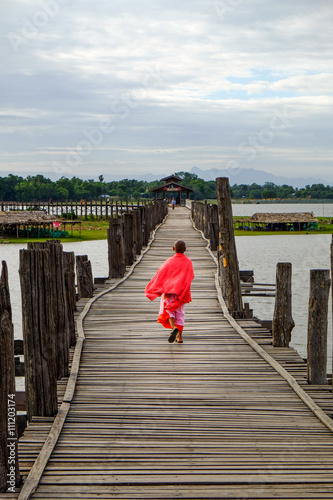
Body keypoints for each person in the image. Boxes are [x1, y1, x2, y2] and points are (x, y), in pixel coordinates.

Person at [145, 240, 194, 343]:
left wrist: (155, 287)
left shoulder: (168, 261)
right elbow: (190, 277)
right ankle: (179, 337)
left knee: (170, 311)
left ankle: (173, 328)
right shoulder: (188, 262)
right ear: (185, 249)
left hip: (168, 292)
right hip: (181, 292)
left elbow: (161, 275)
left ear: (173, 249)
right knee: (180, 314)